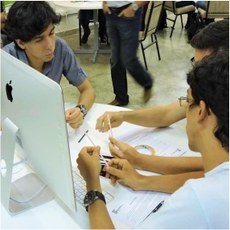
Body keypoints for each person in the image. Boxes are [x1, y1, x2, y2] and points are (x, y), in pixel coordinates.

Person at [77, 50, 229, 229]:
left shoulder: (200, 200)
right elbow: (204, 166)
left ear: (202, 111)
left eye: (187, 102)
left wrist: (92, 184)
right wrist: (141, 169)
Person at [94, 19, 229, 193]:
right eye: (195, 65)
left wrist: (143, 177)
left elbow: (214, 177)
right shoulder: (211, 90)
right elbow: (167, 114)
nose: (196, 75)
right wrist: (124, 116)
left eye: (203, 67)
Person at [3, 1, 95, 129]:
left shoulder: (61, 48)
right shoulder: (6, 60)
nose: (50, 45)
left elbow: (87, 90)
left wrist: (81, 110)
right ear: (21, 43)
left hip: (49, 123)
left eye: (51, 33)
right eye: (39, 40)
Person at [102, 1, 154, 106]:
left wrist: (133, 7)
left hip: (129, 14)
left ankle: (147, 82)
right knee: (116, 60)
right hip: (111, 13)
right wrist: (104, 2)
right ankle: (121, 98)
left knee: (128, 59)